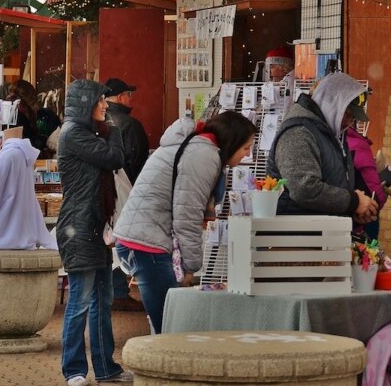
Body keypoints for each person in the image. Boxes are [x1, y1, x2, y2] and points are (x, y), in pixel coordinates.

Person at [114, 111, 257, 334]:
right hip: (147, 243)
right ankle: (159, 367)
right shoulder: (203, 155)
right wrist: (191, 267)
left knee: (165, 323)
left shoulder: (198, 147)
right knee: (170, 325)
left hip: (141, 237)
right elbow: (187, 216)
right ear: (232, 141)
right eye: (246, 148)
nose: (247, 156)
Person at [55, 79, 131, 386]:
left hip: (95, 225)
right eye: (101, 101)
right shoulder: (74, 133)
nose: (106, 105)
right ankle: (73, 370)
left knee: (103, 298)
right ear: (86, 104)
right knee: (81, 301)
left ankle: (105, 368)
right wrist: (113, 127)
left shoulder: (87, 132)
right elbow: (115, 158)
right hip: (79, 226)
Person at [266, 72, 379, 224]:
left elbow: (333, 183)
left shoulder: (330, 134)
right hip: (296, 237)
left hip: (320, 234)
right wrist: (353, 201)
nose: (348, 122)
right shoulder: (299, 132)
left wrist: (352, 210)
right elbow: (304, 190)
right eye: (346, 115)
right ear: (331, 104)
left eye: (352, 118)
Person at [103, 77, 150, 312]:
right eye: (129, 95)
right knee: (122, 238)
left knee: (108, 236)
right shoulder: (130, 125)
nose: (131, 99)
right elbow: (137, 161)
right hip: (126, 189)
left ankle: (111, 290)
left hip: (105, 190)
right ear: (121, 97)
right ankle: (119, 291)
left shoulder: (98, 120)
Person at [347, 121, 387, 240]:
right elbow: (373, 186)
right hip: (361, 216)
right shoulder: (359, 145)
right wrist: (378, 203)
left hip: (327, 220)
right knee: (369, 251)